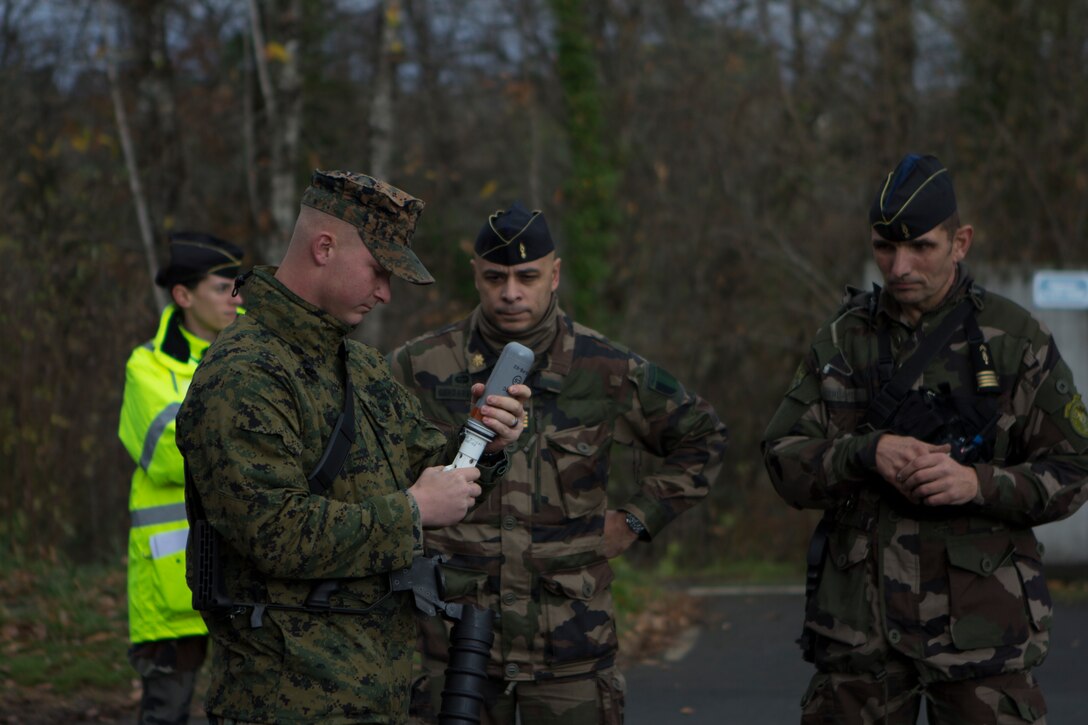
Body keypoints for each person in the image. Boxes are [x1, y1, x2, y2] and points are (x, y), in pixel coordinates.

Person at [175, 170, 529, 724]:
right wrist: (412, 511)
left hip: (377, 694)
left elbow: (429, 473)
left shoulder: (357, 366)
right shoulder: (245, 374)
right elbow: (273, 532)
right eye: (379, 271)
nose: (385, 293)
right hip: (286, 703)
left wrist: (485, 442)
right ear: (324, 247)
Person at [761, 153, 1088, 724]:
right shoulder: (843, 340)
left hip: (983, 634)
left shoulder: (1013, 339)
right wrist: (864, 451)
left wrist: (977, 483)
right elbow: (783, 459)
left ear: (960, 242)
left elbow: (1074, 469)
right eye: (885, 247)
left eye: (921, 247)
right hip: (860, 636)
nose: (899, 265)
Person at [389, 202, 728, 724]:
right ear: (475, 277)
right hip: (453, 640)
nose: (511, 293)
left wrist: (636, 519)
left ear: (555, 275)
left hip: (571, 641)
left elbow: (703, 437)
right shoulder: (419, 366)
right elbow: (371, 470)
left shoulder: (606, 368)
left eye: (527, 276)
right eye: (495, 277)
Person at [118, 231, 245, 724]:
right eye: (221, 287)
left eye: (239, 286)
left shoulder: (262, 348)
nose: (235, 299)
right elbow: (173, 457)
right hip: (172, 584)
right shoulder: (147, 366)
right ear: (182, 295)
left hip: (245, 572)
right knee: (166, 714)